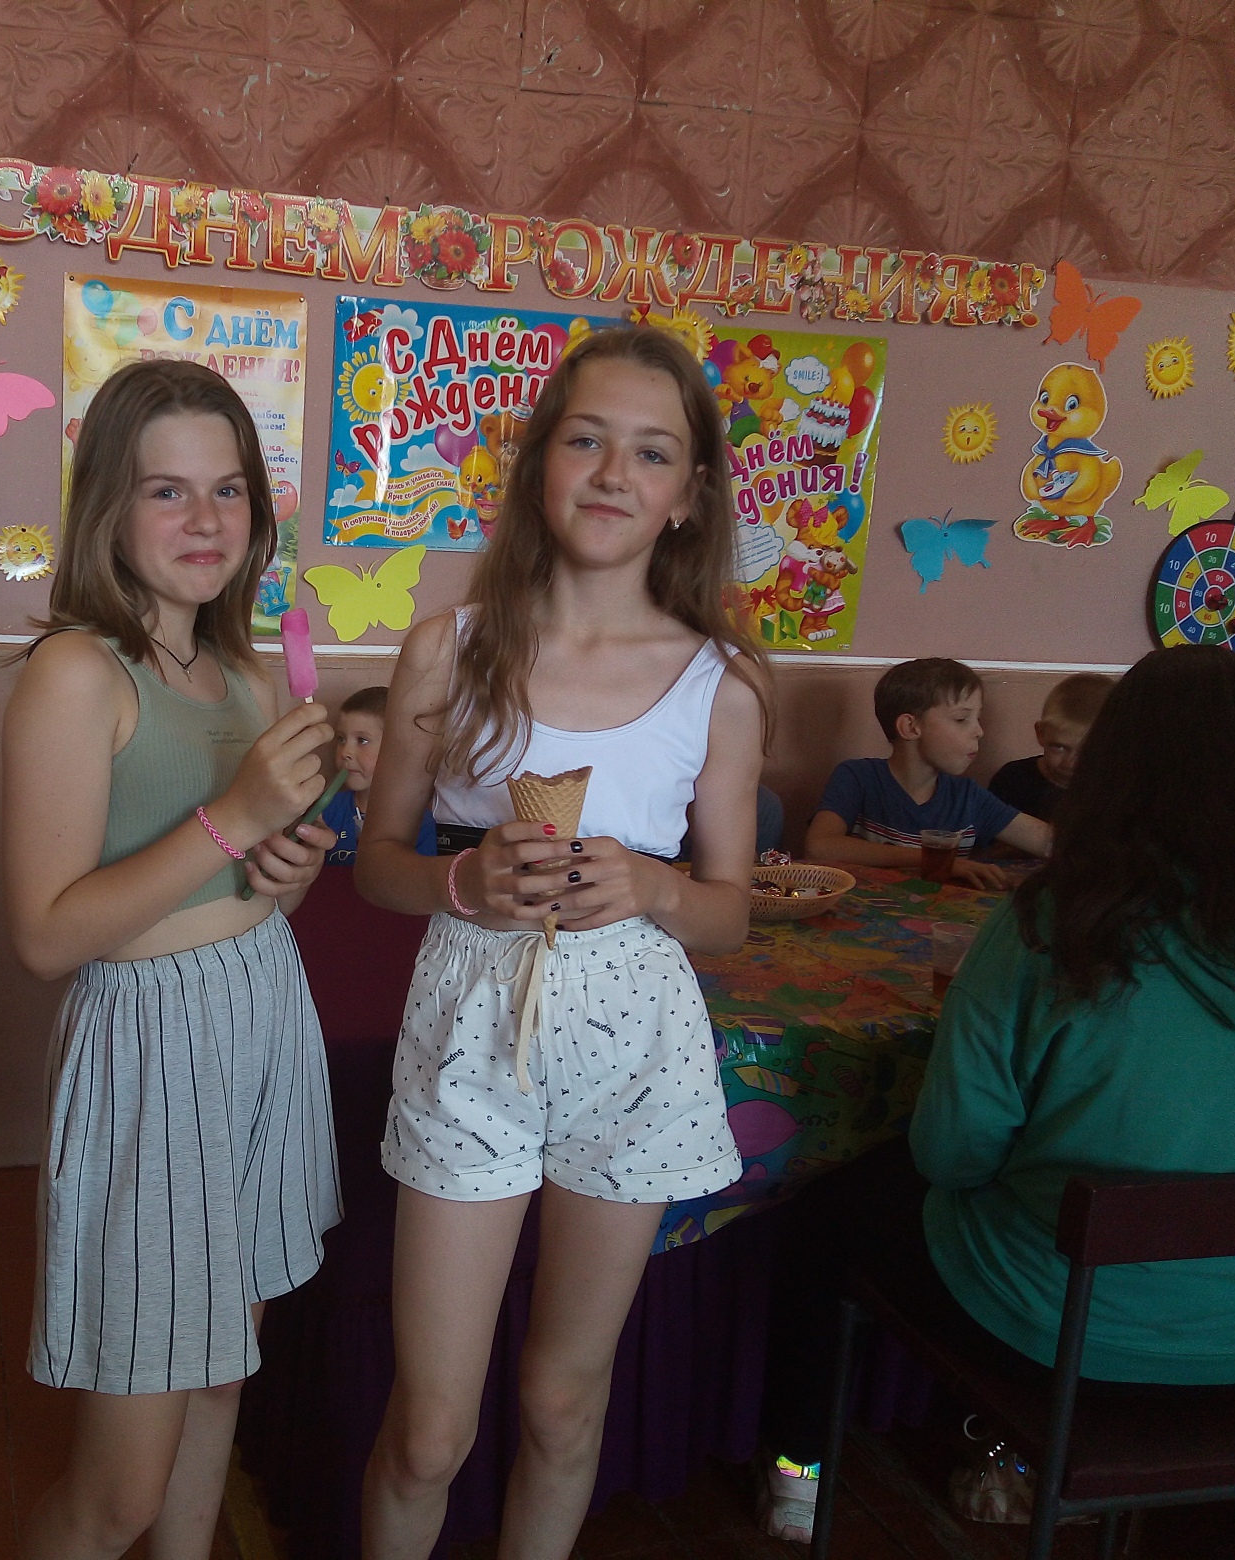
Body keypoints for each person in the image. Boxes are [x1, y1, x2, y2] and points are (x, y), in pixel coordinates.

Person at [758, 646, 1235, 1543]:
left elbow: (951, 1154)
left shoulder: (1055, 922)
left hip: (1057, 1327)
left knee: (825, 1213)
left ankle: (799, 1474)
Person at [353, 325, 768, 1558]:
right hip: (471, 1031)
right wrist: (463, 877)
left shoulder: (720, 683)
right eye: (585, 440)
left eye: (651, 453)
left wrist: (655, 887)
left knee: (560, 1401)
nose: (612, 473)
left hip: (633, 1044)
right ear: (541, 460)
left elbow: (730, 910)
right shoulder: (449, 647)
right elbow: (377, 867)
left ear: (687, 495)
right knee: (429, 1430)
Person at [1, 359, 342, 1560]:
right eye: (167, 491)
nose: (205, 519)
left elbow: (240, 887)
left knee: (219, 1372)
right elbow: (47, 934)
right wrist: (236, 819)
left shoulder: (247, 672)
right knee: (118, 1496)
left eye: (228, 489)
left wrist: (282, 868)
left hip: (260, 1018)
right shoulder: (77, 672)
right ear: (108, 506)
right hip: (152, 1049)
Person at [805, 658, 1051, 888]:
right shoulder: (858, 778)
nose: (979, 731)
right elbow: (820, 846)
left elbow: (1049, 842)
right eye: (962, 719)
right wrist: (934, 860)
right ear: (911, 727)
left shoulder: (968, 798)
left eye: (978, 718)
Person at [319, 684, 436, 864]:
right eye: (341, 739)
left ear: (394, 749)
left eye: (362, 740)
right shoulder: (326, 810)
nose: (345, 752)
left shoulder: (418, 823)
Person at [987, 671, 1114, 821]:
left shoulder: (1119, 790)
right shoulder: (1012, 782)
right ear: (1041, 733)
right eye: (1059, 747)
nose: (1071, 764)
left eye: (1087, 752)